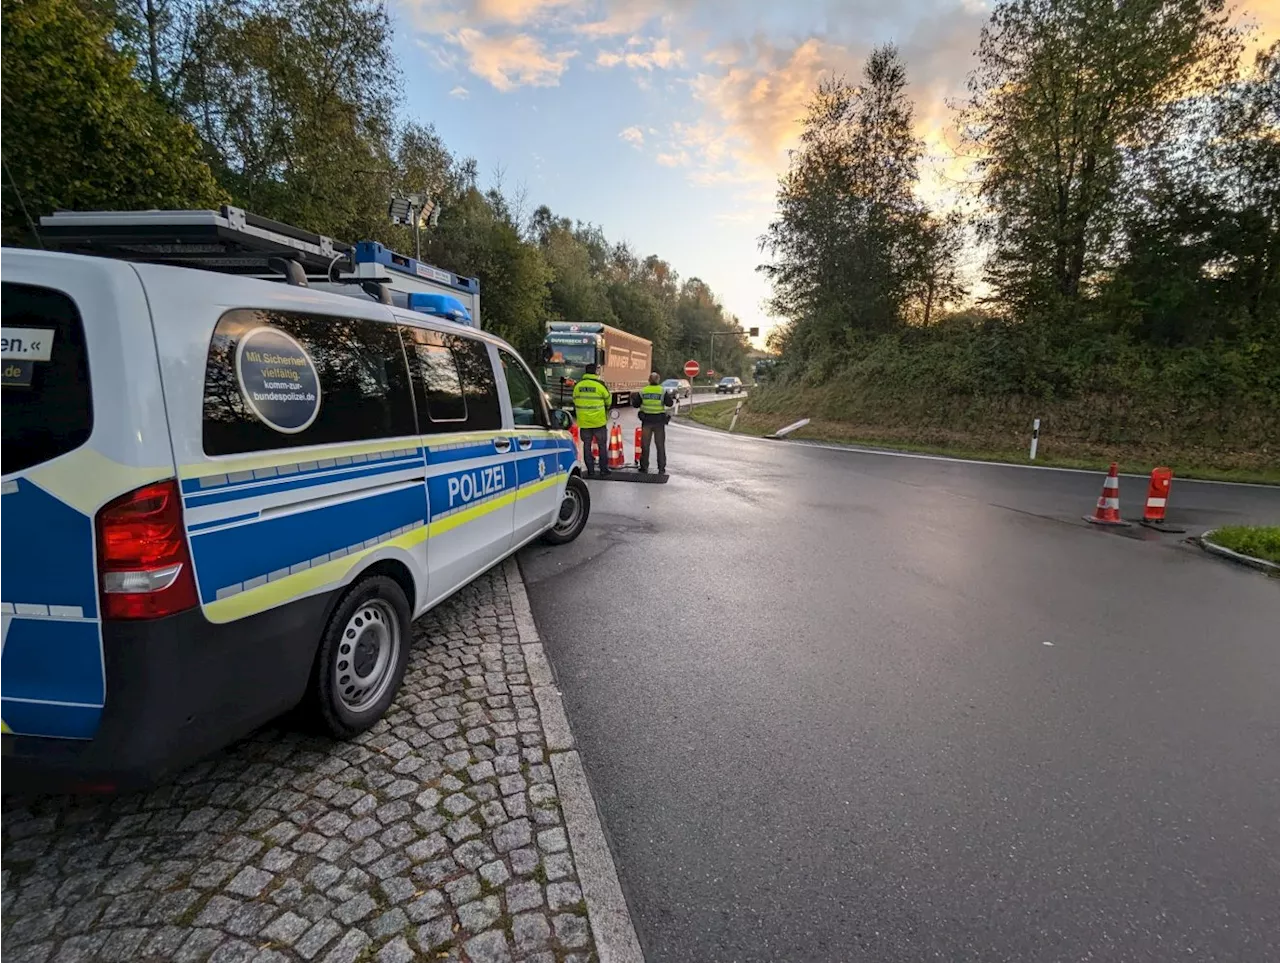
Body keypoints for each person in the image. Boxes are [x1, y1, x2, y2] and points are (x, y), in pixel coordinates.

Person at [572, 363, 613, 477]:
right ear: (595, 372)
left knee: (586, 445)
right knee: (601, 445)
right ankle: (603, 469)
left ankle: (590, 470)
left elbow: (574, 399)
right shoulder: (600, 385)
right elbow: (608, 400)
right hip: (599, 421)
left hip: (584, 422)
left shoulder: (578, 385)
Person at [638, 371, 673, 475]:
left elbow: (636, 404)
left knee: (645, 446)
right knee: (660, 446)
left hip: (646, 422)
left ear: (649, 380)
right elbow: (669, 403)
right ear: (658, 380)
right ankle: (661, 468)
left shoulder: (643, 391)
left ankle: (644, 467)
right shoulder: (662, 391)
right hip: (659, 422)